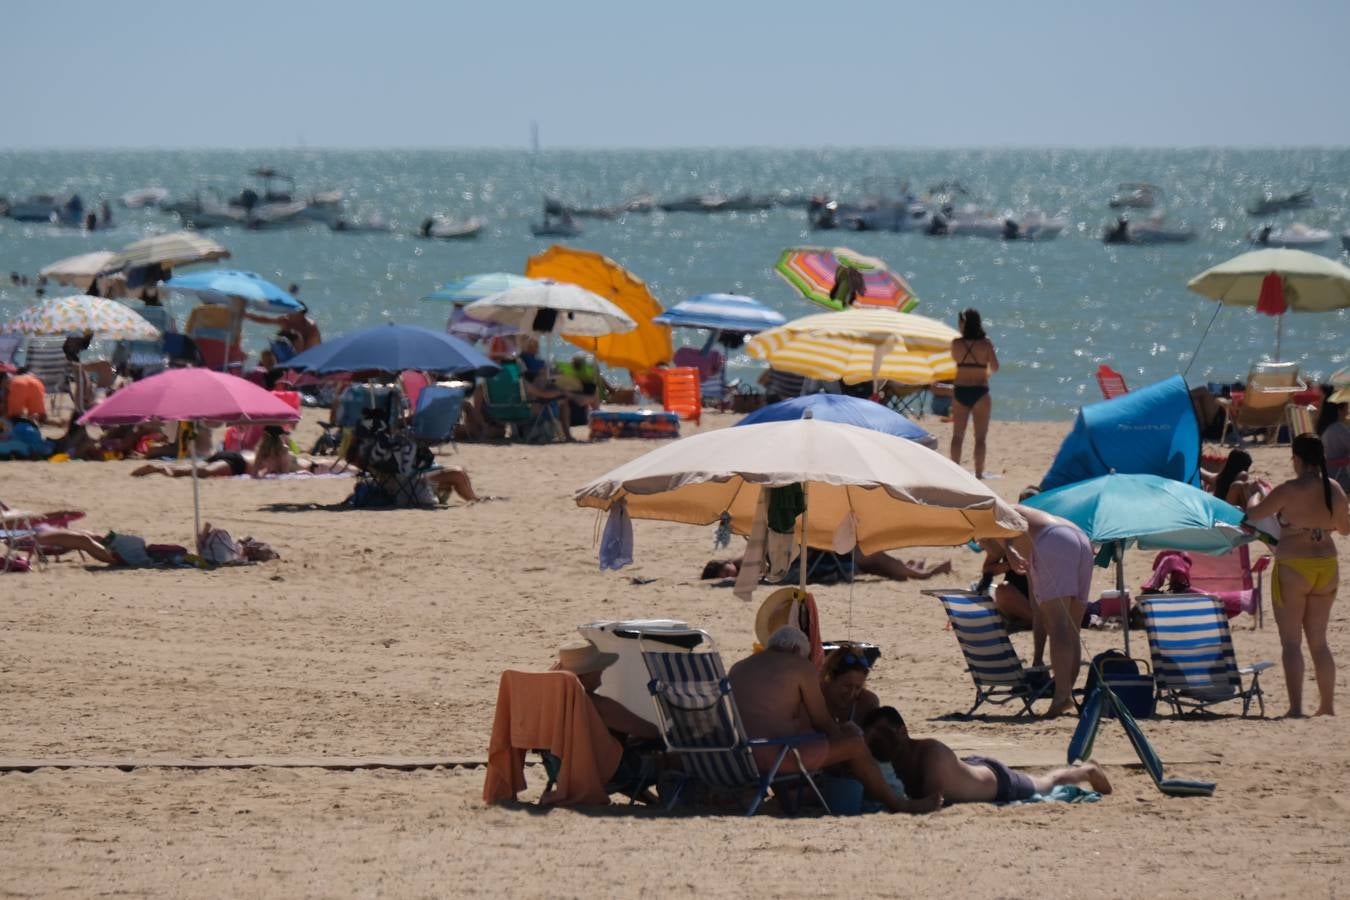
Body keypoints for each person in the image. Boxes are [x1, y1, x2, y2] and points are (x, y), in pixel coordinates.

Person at [727, 625, 940, 814]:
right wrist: (848, 745)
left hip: (742, 757)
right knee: (854, 743)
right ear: (795, 651)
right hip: (778, 756)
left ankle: (788, 802)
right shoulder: (799, 666)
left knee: (802, 737)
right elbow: (823, 722)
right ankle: (899, 804)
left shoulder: (738, 667)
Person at [1245, 435, 1350, 717]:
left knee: (1291, 641)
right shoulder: (1335, 489)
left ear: (1298, 460)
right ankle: (1327, 707)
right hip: (1327, 565)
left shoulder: (1288, 490)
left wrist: (1254, 492)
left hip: (1294, 566)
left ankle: (1296, 708)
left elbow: (1253, 514)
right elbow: (1345, 528)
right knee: (1319, 641)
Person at [861, 706, 1111, 804]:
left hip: (995, 782)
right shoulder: (888, 755)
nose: (878, 741)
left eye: (883, 733)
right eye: (872, 737)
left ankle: (1085, 770)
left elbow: (931, 802)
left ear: (903, 732)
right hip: (968, 770)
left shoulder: (931, 755)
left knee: (1045, 784)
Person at [985, 499, 1094, 716]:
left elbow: (1001, 525)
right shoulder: (1029, 527)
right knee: (1071, 628)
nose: (980, 545)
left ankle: (1062, 696)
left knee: (1059, 625)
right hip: (1080, 539)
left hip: (1053, 541)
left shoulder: (992, 513)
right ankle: (1065, 695)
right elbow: (1037, 610)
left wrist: (1008, 551)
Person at [949, 308, 999, 479]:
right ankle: (978, 473)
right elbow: (995, 367)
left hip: (960, 390)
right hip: (980, 391)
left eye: (960, 322)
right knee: (980, 438)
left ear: (965, 323)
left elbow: (955, 360)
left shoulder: (956, 344)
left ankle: (954, 471)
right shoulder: (985, 343)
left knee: (957, 435)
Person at [819, 644, 880, 726]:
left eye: (858, 687)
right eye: (847, 686)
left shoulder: (867, 703)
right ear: (831, 678)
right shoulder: (813, 697)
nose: (852, 693)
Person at [977, 542, 1034, 629]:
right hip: (1017, 596)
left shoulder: (1043, 539)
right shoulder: (1006, 540)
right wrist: (1011, 564)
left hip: (1044, 597)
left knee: (1002, 591)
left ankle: (1036, 620)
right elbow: (987, 569)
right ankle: (1033, 619)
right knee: (1002, 590)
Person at [1317, 395, 1349, 491]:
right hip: (1342, 476)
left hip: (1329, 473)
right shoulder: (1338, 428)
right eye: (1346, 409)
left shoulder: (1324, 428)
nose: (1348, 412)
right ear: (1339, 410)